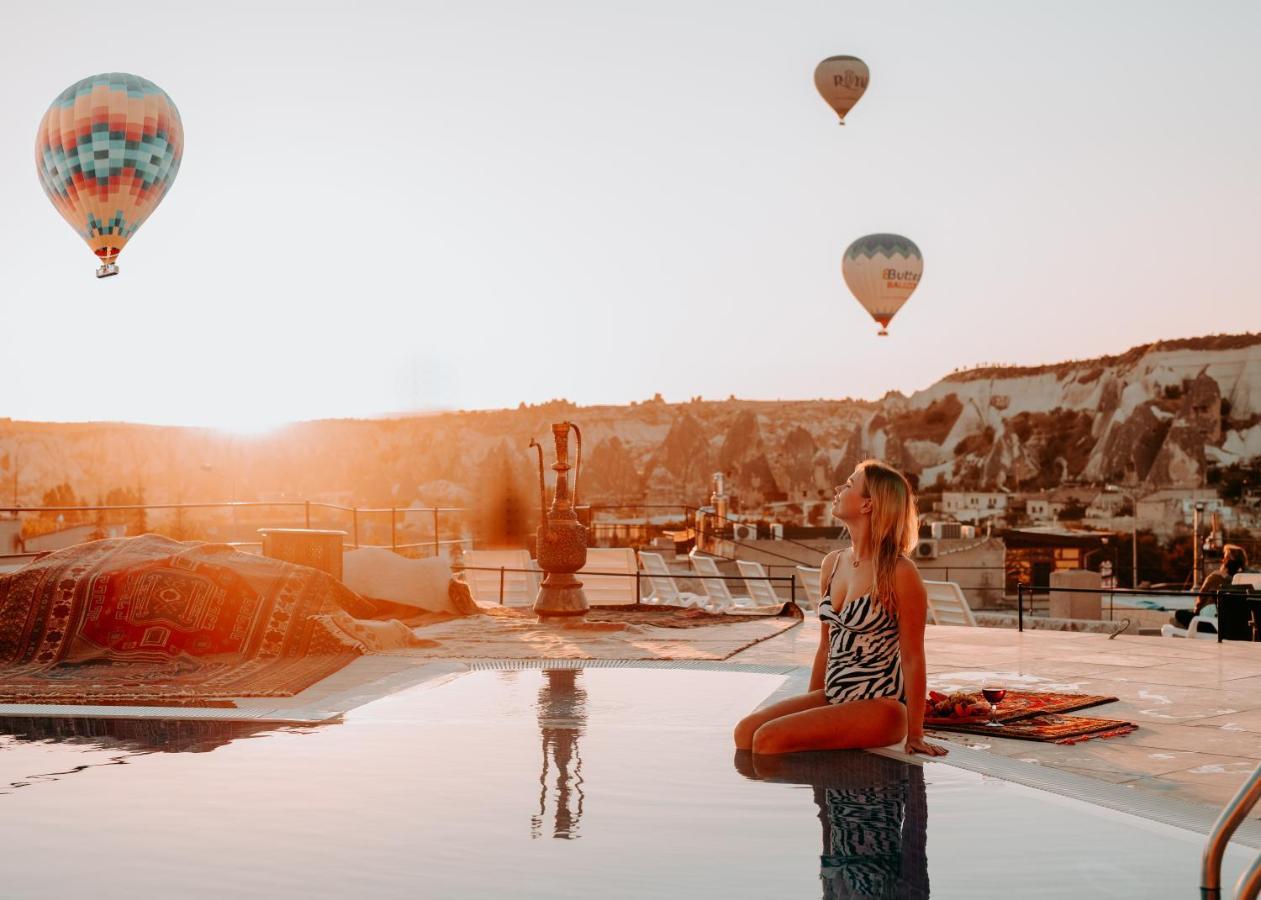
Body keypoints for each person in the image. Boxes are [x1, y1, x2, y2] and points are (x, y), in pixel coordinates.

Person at [733, 459, 947, 758]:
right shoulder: (832, 563)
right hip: (836, 696)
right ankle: (824, 795)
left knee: (768, 739)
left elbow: (913, 657)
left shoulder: (899, 572)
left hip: (880, 706)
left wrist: (916, 733)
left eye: (848, 485)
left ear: (868, 505)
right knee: (745, 733)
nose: (838, 489)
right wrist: (811, 709)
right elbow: (826, 647)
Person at [1173, 544, 1249, 629]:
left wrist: (1196, 611)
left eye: (1225, 557)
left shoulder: (1215, 577)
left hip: (1211, 624)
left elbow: (1200, 599)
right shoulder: (1247, 580)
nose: (1222, 560)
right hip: (1235, 626)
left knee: (1179, 613)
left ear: (1227, 561)